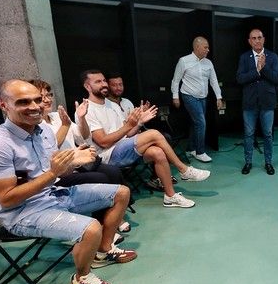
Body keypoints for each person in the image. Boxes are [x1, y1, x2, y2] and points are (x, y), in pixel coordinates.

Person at [0, 80, 137, 284]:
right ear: (3, 105)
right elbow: (6, 199)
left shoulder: (43, 131)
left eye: (37, 100)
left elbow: (53, 169)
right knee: (90, 228)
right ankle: (81, 278)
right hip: (22, 213)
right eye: (23, 102)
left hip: (52, 195)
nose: (34, 106)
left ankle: (103, 251)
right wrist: (54, 173)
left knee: (121, 192)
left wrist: (73, 161)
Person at [81, 70, 210, 208]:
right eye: (98, 82)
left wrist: (139, 122)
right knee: (153, 133)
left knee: (157, 152)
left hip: (124, 147)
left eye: (104, 80)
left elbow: (128, 134)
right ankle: (184, 170)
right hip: (107, 156)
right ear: (87, 86)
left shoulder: (111, 105)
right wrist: (128, 126)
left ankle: (170, 196)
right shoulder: (88, 109)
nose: (103, 84)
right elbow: (103, 142)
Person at [106, 73, 175, 192]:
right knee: (155, 138)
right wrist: (138, 122)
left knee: (165, 137)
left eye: (120, 84)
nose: (118, 87)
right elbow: (125, 129)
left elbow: (135, 122)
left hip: (135, 133)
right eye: (114, 85)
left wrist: (143, 114)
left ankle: (158, 177)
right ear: (108, 86)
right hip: (122, 142)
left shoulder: (127, 102)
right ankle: (180, 169)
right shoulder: (107, 105)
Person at [171, 36, 223, 163]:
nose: (208, 50)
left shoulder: (208, 63)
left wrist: (219, 97)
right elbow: (176, 80)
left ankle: (190, 148)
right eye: (205, 47)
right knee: (201, 122)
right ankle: (200, 152)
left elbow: (214, 81)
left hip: (203, 98)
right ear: (197, 47)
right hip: (188, 95)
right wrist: (175, 96)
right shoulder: (184, 61)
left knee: (196, 123)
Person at [236, 29, 278, 176]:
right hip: (249, 103)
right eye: (254, 38)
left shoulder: (273, 57)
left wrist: (265, 67)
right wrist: (257, 70)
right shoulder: (244, 57)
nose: (257, 40)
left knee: (268, 134)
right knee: (248, 134)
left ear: (264, 39)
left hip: (267, 103)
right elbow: (240, 79)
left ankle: (268, 163)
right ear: (249, 41)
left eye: (259, 37)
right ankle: (248, 162)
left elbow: (276, 78)